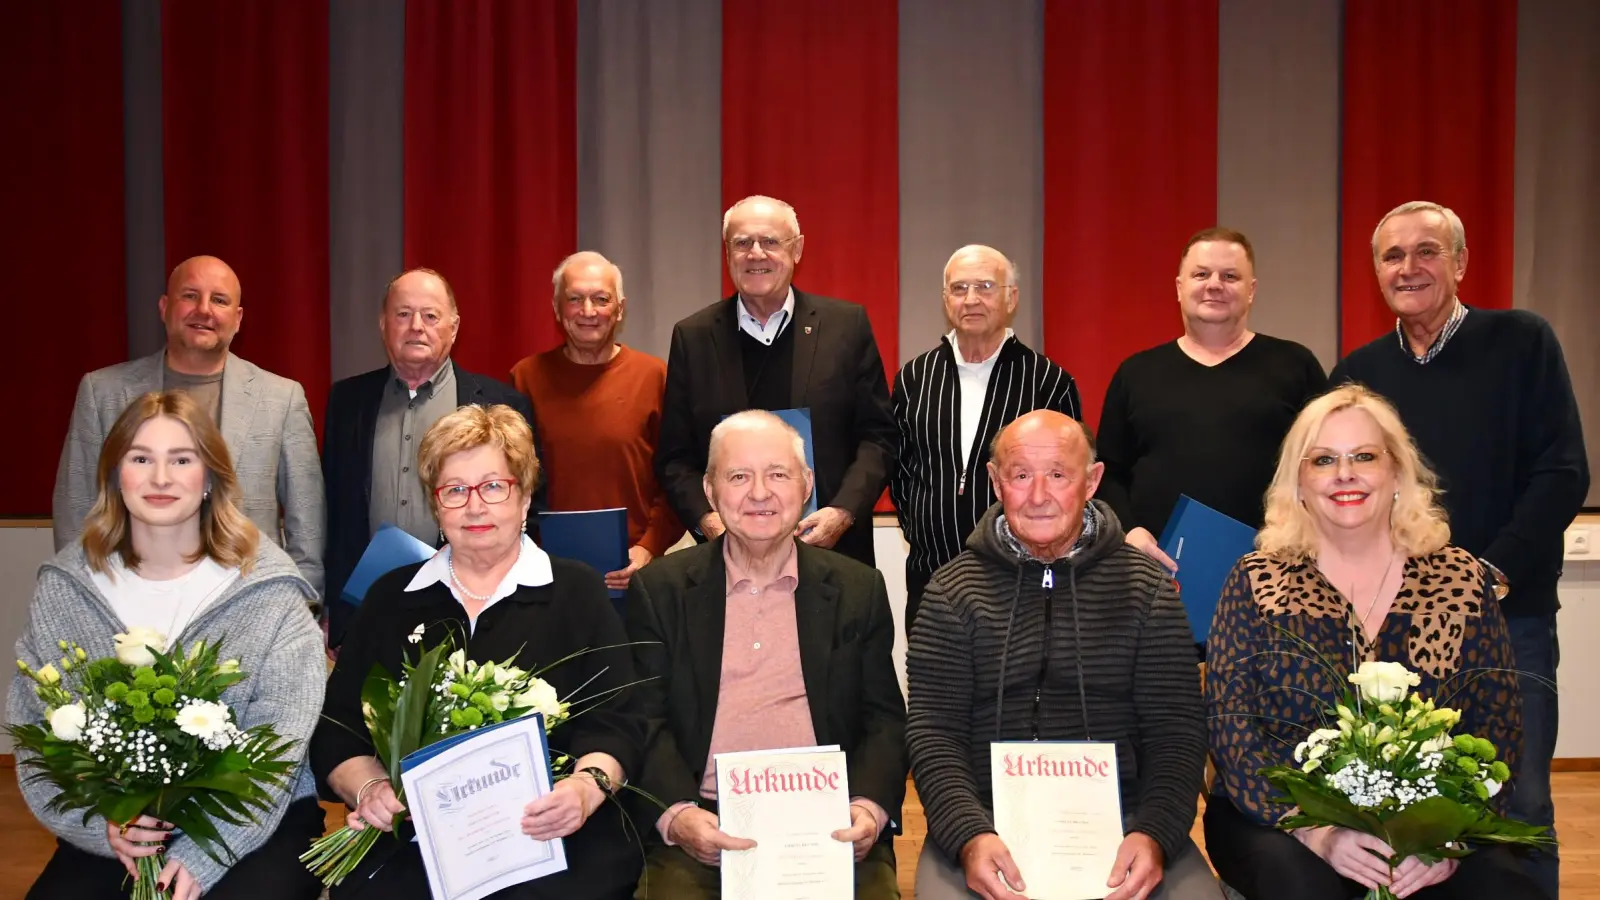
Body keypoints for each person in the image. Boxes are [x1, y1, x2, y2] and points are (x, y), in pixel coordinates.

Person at [1331, 201, 1587, 898]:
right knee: (1400, 803)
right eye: (1392, 255)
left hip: (1509, 617)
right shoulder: (1358, 375)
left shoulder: (1523, 342)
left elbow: (1563, 471)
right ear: (1376, 271)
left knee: (1519, 804)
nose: (1408, 268)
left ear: (1461, 263)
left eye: (1427, 251)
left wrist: (1489, 573)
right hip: (1394, 627)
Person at [1204, 384, 1543, 900]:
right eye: (1324, 460)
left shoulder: (1460, 577)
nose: (1345, 474)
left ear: (1397, 473)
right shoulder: (1258, 579)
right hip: (1279, 821)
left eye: (1364, 456)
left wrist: (1444, 841)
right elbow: (1230, 727)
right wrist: (1316, 833)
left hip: (1433, 825)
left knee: (1507, 891)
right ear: (1298, 483)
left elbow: (1498, 724)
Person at [311, 404, 643, 900]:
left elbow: (619, 723)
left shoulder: (577, 591)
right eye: (455, 490)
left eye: (493, 486)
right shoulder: (390, 597)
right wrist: (370, 790)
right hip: (415, 841)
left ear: (525, 496)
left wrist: (583, 790)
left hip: (551, 836)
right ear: (436, 505)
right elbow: (339, 728)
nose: (474, 507)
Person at [12, 390, 326, 900]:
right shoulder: (66, 588)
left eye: (182, 460)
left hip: (250, 823)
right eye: (141, 459)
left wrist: (205, 853)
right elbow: (35, 736)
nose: (161, 478)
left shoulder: (269, 589)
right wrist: (103, 827)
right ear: (115, 476)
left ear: (210, 478)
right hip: (114, 822)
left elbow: (281, 746)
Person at [907, 410, 1220, 900]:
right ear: (995, 481)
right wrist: (968, 836)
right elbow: (934, 732)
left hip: (1126, 821)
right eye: (1020, 475)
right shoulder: (952, 591)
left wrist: (1154, 834)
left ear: (1092, 481)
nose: (1038, 496)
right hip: (987, 822)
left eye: (1058, 475)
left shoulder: (1147, 590)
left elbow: (1176, 732)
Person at [627, 410, 906, 898]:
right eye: (739, 477)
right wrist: (678, 815)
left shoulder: (857, 588)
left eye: (778, 474)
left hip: (830, 823)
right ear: (711, 492)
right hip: (705, 822)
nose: (760, 493)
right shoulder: (660, 590)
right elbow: (644, 720)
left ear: (807, 485)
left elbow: (884, 719)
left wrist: (868, 807)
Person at [53, 255, 325, 598]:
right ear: (164, 307)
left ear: (238, 318)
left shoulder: (282, 398)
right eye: (190, 296)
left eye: (220, 300)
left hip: (249, 602)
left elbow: (307, 529)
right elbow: (76, 510)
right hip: (130, 605)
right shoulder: (102, 393)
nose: (204, 310)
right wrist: (83, 601)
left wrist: (301, 604)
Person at [655, 195, 897, 567]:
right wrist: (708, 521)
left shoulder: (846, 327)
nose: (756, 254)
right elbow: (674, 457)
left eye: (770, 241)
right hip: (728, 560)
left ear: (796, 249)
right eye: (742, 243)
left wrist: (844, 512)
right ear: (727, 253)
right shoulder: (694, 337)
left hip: (833, 554)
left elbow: (878, 438)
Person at [321, 268, 539, 646]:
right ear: (383, 325)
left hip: (471, 604)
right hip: (366, 608)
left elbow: (527, 511)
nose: (416, 327)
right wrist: (334, 612)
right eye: (403, 314)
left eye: (430, 316)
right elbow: (332, 512)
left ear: (454, 328)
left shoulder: (501, 403)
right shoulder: (347, 402)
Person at [1098, 228, 1326, 569]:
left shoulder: (1296, 365)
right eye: (1201, 274)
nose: (1214, 285)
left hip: (1276, 568)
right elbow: (1109, 472)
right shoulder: (1135, 373)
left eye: (1230, 276)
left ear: (1251, 291)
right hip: (1157, 570)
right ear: (1180, 287)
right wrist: (1130, 531)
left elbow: (1325, 463)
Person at [891, 244, 1081, 631]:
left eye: (985, 287)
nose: (971, 299)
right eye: (959, 288)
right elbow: (898, 468)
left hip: (1022, 580)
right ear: (946, 299)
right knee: (932, 670)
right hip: (931, 576)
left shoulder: (1047, 381)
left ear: (1012, 298)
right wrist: (925, 529)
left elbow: (1070, 479)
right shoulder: (915, 378)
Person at [510, 252, 684, 593]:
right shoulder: (524, 379)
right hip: (544, 574)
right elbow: (510, 480)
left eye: (601, 299)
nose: (588, 311)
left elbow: (676, 475)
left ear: (620, 309)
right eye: (575, 299)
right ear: (557, 308)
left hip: (634, 574)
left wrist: (649, 547)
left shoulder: (654, 377)